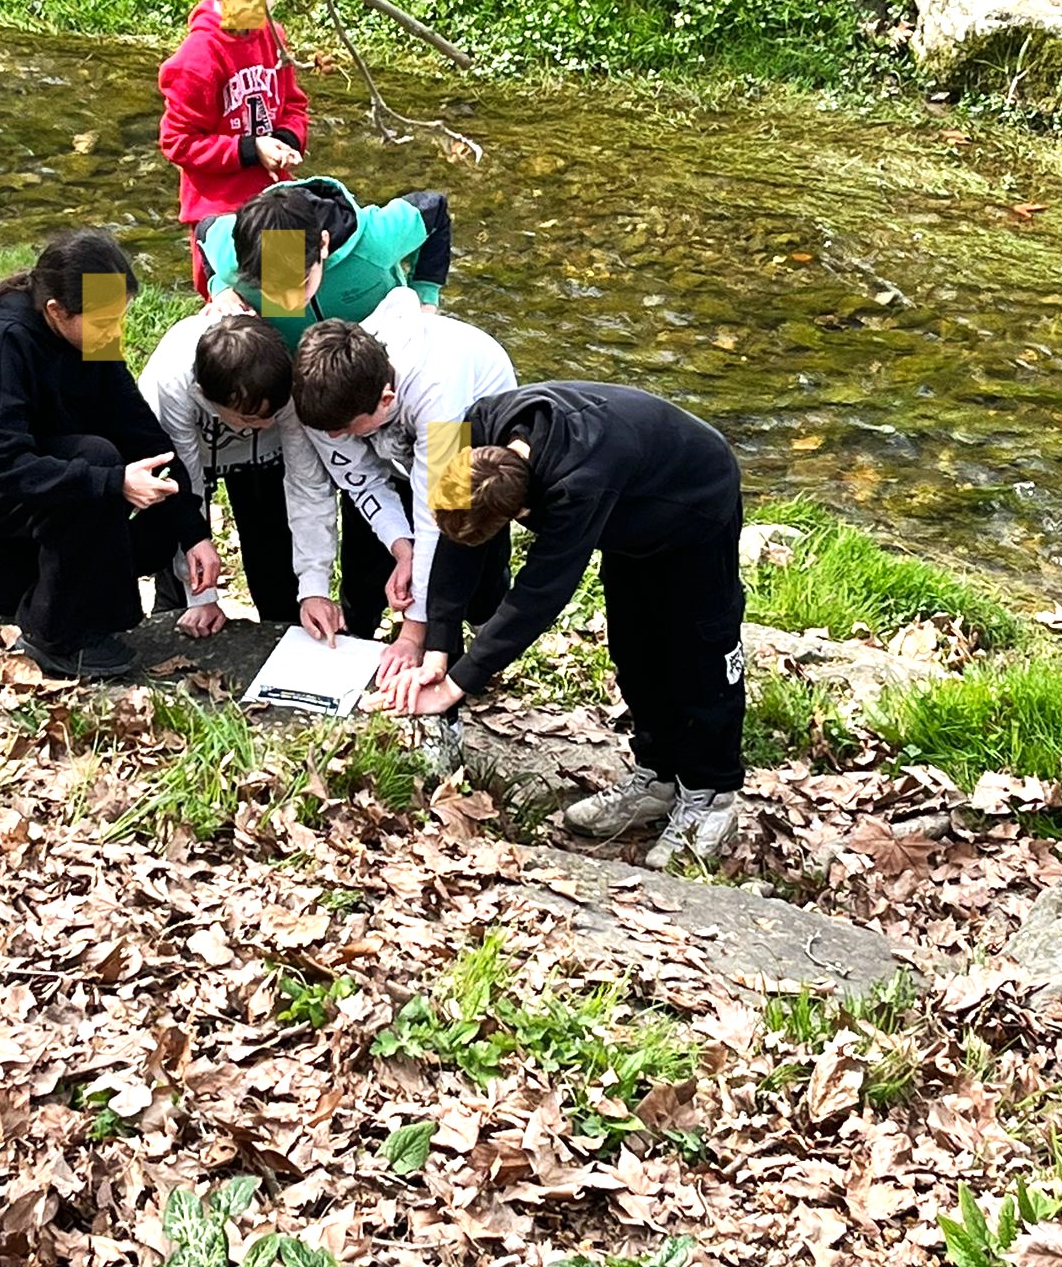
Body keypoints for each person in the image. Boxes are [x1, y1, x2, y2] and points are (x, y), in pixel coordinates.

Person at [381, 381, 747, 870]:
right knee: (633, 645)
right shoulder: (467, 428)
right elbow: (454, 544)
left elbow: (539, 596)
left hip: (693, 497)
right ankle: (657, 776)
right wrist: (438, 648)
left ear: (523, 513)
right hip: (628, 505)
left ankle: (711, 796)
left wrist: (458, 685)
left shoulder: (578, 483)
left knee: (697, 649)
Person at [0, 230, 218, 680]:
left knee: (157, 517)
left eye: (119, 319)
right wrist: (113, 483)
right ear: (56, 311)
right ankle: (56, 635)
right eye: (105, 321)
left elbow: (141, 432)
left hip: (33, 456)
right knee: (97, 460)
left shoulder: (90, 335)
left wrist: (193, 531)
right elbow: (4, 462)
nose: (115, 332)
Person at [138, 309, 406, 643]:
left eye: (273, 416)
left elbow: (307, 485)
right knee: (178, 568)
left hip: (262, 459)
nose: (266, 425)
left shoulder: (284, 386)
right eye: (252, 419)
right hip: (186, 453)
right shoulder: (172, 384)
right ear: (204, 395)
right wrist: (201, 595)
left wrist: (314, 587)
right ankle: (172, 611)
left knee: (275, 568)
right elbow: (183, 481)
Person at [290, 289, 516, 676]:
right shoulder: (326, 393)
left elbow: (437, 512)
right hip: (401, 453)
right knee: (365, 563)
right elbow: (361, 481)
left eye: (346, 430)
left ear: (386, 399)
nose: (336, 438)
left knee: (473, 567)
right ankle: (356, 638)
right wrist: (402, 547)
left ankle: (481, 649)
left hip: (476, 456)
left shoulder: (440, 391)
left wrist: (413, 632)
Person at [158, 0, 310, 296]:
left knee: (287, 302)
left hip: (274, 199)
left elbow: (293, 103)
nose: (261, 7)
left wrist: (286, 139)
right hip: (219, 215)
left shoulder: (274, 36)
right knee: (233, 316)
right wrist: (249, 149)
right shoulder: (197, 59)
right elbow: (177, 143)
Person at [194, 176, 452, 351]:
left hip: (380, 348)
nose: (290, 302)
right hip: (296, 367)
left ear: (323, 244)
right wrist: (220, 289)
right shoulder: (232, 257)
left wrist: (425, 298)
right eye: (273, 288)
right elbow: (204, 230)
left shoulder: (375, 241)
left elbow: (435, 209)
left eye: (301, 282)